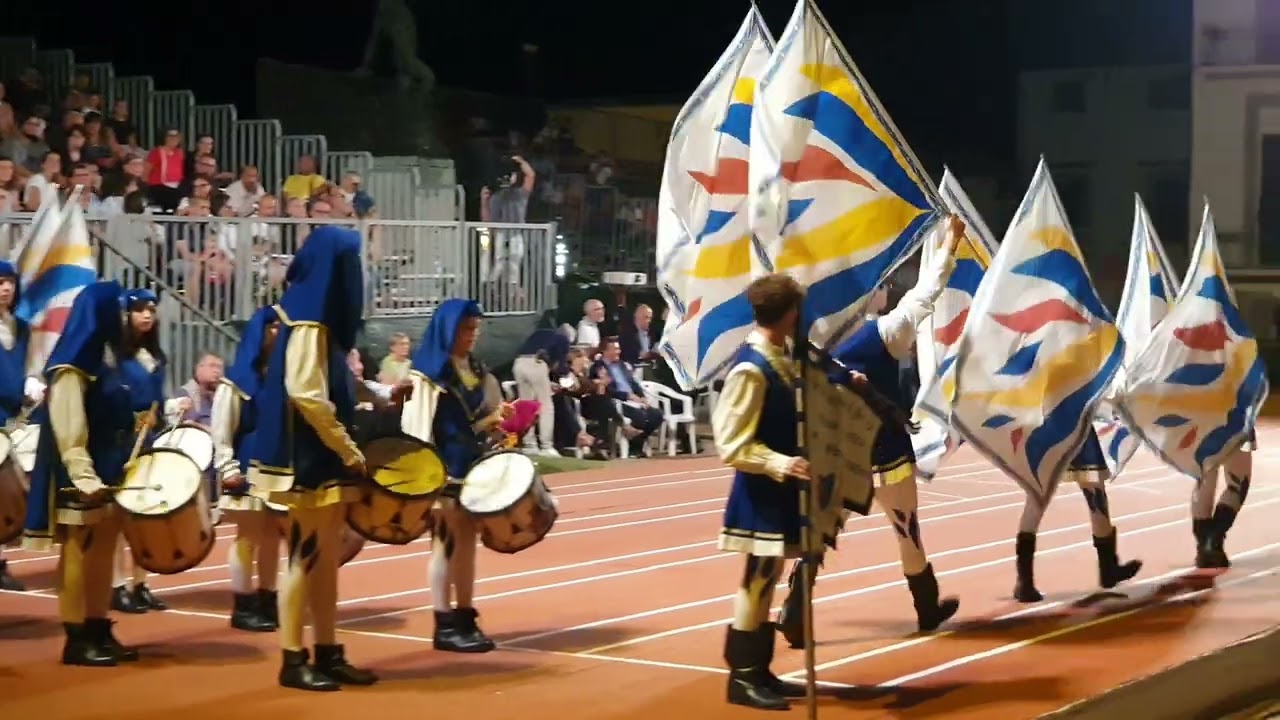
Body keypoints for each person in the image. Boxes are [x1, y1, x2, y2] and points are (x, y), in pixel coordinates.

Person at [776, 215, 967, 649]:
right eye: (882, 284)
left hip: (837, 453)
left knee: (823, 531)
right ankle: (926, 607)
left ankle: (793, 609)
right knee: (907, 529)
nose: (885, 289)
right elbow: (926, 294)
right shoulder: (884, 331)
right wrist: (949, 245)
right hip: (886, 453)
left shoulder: (815, 338)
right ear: (874, 293)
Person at [247, 226, 377, 691]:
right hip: (305, 456)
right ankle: (292, 656)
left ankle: (327, 649)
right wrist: (347, 446)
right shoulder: (306, 322)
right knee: (303, 557)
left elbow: (333, 382)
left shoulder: (318, 320)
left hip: (321, 455)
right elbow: (306, 394)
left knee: (323, 558)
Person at [22, 281, 141, 666]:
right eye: (122, 310)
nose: (125, 318)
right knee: (79, 550)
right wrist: (83, 474)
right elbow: (67, 422)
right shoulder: (73, 362)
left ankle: (96, 622)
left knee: (104, 548)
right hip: (82, 469)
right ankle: (76, 634)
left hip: (108, 464)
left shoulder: (107, 359)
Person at [714, 273, 809, 711]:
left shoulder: (782, 356)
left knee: (765, 581)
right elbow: (731, 442)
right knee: (755, 581)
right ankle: (743, 675)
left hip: (780, 492)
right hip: (760, 493)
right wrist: (778, 462)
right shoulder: (753, 367)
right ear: (789, 312)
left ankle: (759, 668)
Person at [406, 298, 513, 653]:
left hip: (472, 463)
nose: (472, 336)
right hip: (442, 468)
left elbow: (474, 422)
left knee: (467, 544)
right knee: (444, 545)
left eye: (476, 329)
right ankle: (443, 620)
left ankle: (465, 614)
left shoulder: (476, 368)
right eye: (466, 329)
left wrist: (495, 421)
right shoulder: (428, 374)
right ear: (448, 329)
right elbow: (417, 427)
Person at [109, 288, 191, 614]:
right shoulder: (116, 356)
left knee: (144, 512)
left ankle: (140, 583)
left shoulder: (156, 356)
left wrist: (171, 406)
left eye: (151, 310)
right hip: (122, 439)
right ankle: (116, 585)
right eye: (139, 309)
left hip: (150, 436)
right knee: (118, 514)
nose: (146, 315)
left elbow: (157, 396)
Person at [211, 306, 282, 632]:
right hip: (248, 463)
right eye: (272, 327)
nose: (278, 333)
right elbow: (223, 430)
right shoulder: (236, 381)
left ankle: (268, 598)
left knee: (271, 537)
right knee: (248, 535)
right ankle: (242, 603)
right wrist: (227, 468)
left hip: (277, 465)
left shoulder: (284, 376)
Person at [1011, 427, 1143, 602]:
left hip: (1074, 429)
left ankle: (1108, 568)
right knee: (1039, 497)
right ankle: (1024, 581)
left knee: (1095, 494)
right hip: (1056, 428)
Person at [0, 260, 43, 592]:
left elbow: (29, 364)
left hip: (15, 415)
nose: (5, 288)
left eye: (10, 282)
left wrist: (32, 382)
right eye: (0, 282)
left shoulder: (23, 327)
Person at [1191, 430, 1254, 569]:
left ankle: (1205, 544)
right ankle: (1213, 540)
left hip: (1197, 423)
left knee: (1204, 480)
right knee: (1238, 484)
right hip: (1236, 422)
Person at [592, 338, 663, 457]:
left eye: (618, 349)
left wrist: (642, 396)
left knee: (657, 415)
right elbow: (606, 390)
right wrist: (627, 396)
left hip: (633, 399)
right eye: (615, 349)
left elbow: (633, 383)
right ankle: (635, 448)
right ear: (605, 351)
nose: (618, 351)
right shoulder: (598, 367)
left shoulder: (622, 365)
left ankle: (637, 442)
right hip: (617, 401)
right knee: (640, 415)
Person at [512, 325, 573, 457]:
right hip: (536, 362)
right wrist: (568, 376)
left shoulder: (541, 333)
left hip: (518, 363)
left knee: (526, 406)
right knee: (546, 406)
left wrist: (548, 381)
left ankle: (529, 445)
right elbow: (561, 365)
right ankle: (546, 446)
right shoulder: (563, 338)